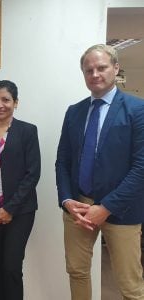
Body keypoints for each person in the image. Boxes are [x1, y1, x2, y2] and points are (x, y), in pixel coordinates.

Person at [56, 44, 144, 300]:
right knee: (77, 272)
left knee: (130, 285)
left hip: (121, 209)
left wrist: (105, 207)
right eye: (88, 70)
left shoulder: (137, 110)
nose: (95, 74)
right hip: (79, 208)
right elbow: (63, 161)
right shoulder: (74, 112)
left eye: (101, 67)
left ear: (115, 68)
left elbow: (141, 167)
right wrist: (66, 200)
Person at [0, 80, 40, 300]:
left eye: (5, 100)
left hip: (20, 211)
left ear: (16, 102)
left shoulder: (27, 131)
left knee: (12, 266)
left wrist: (10, 208)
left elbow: (33, 174)